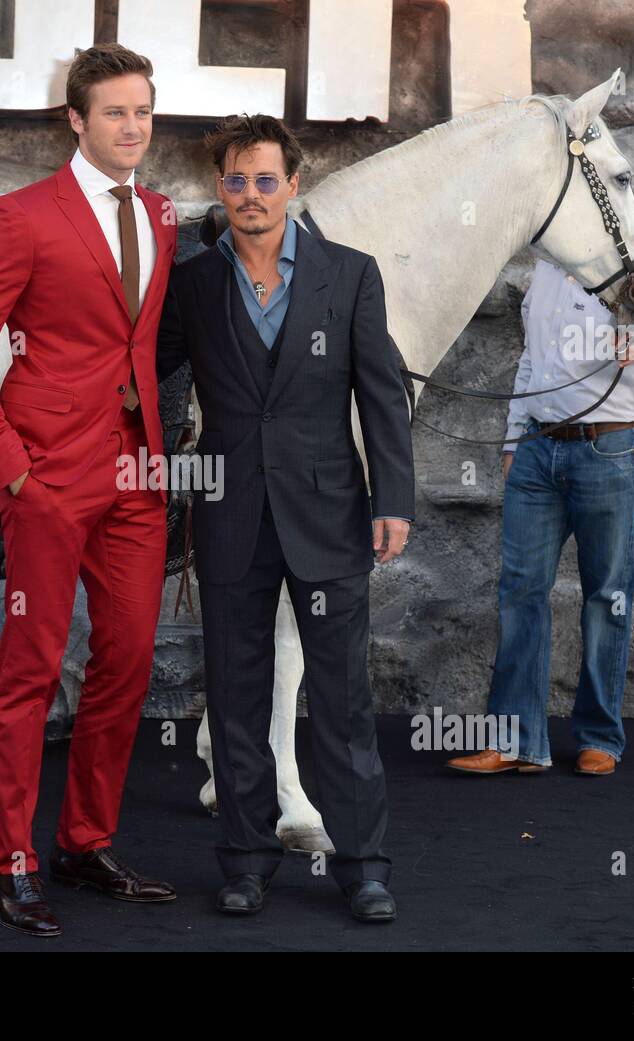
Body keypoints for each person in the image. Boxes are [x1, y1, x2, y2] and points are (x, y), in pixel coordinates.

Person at [0, 43, 179, 937]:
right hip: (48, 475)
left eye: (144, 110)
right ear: (75, 120)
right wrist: (13, 473)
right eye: (115, 112)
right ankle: (12, 862)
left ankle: (83, 842)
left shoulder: (159, 213)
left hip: (135, 472)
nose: (133, 127)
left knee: (128, 656)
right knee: (31, 670)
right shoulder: (22, 216)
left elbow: (141, 344)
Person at [156, 114, 415, 922]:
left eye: (265, 180)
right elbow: (143, 369)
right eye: (234, 181)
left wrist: (394, 500)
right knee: (235, 698)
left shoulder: (350, 274)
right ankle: (245, 858)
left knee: (340, 701)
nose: (249, 195)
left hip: (330, 518)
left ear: (293, 186)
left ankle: (363, 865)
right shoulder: (193, 283)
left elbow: (381, 394)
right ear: (220, 189)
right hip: (230, 516)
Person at [447, 258, 634, 777]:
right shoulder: (544, 273)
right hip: (537, 450)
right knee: (520, 588)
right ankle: (516, 741)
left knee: (606, 592)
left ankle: (600, 737)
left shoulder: (624, 258)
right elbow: (532, 360)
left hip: (611, 447)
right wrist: (513, 438)